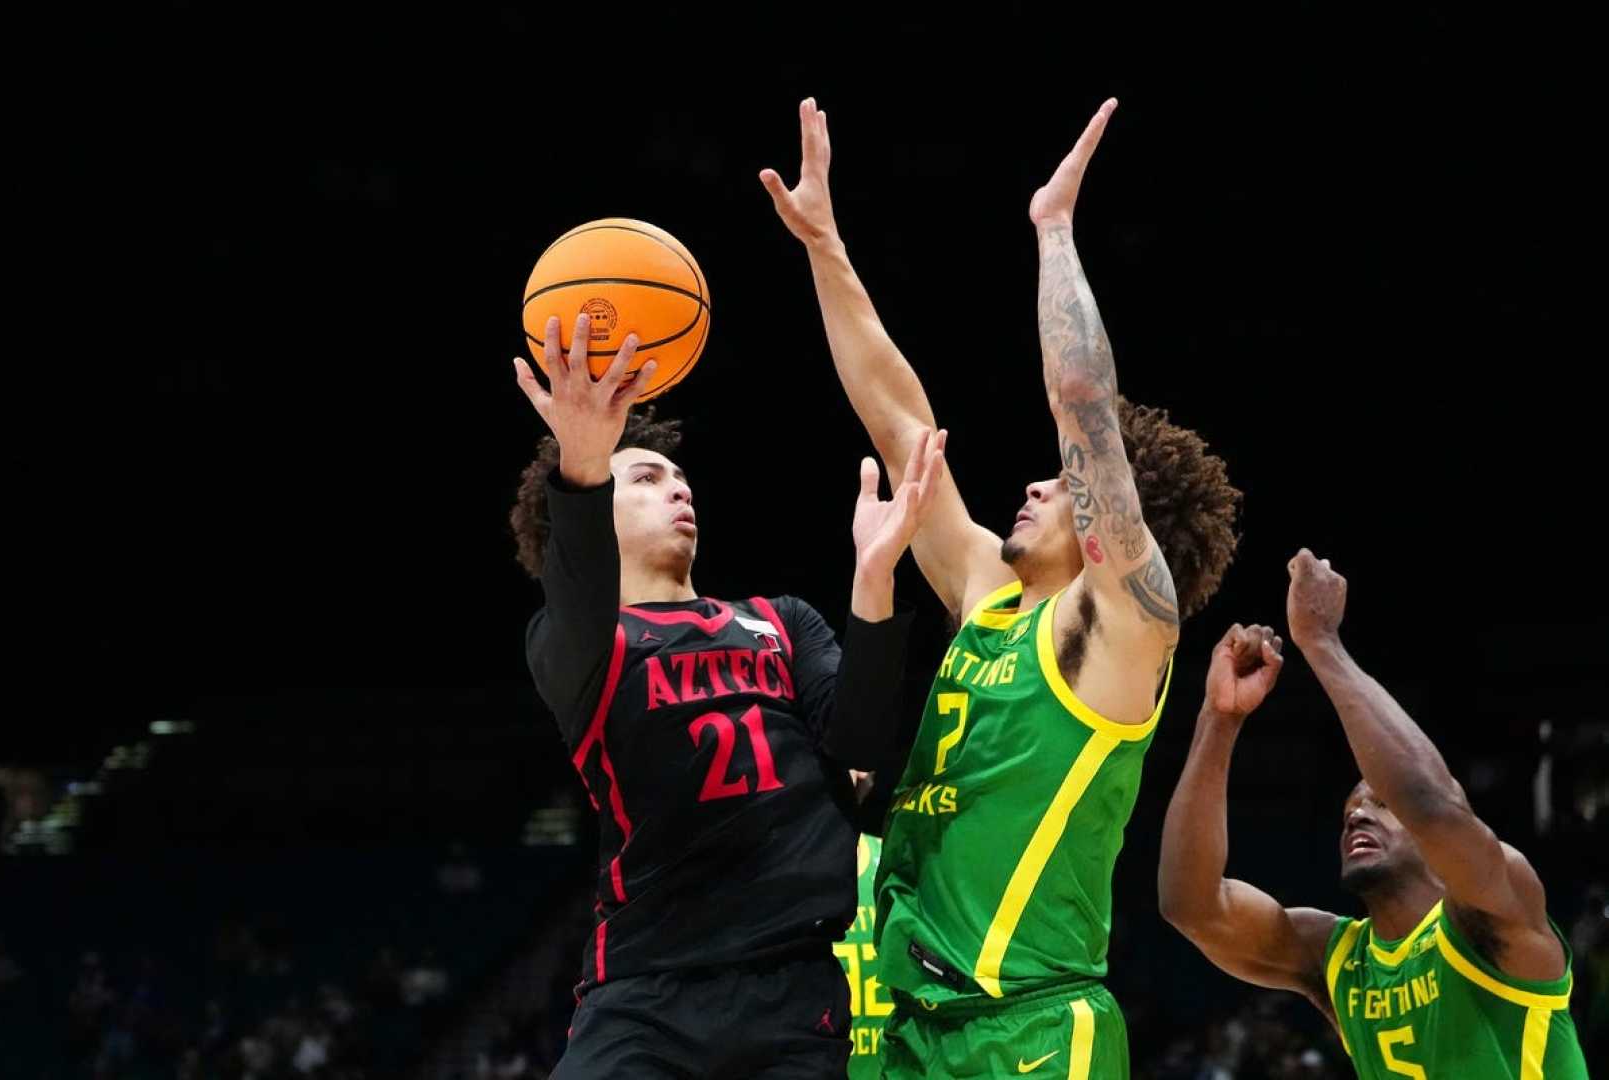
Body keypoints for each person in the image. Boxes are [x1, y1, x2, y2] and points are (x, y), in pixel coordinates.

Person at [762, 97, 1241, 1076]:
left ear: (1116, 524)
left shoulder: (1118, 636)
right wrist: (824, 245)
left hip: (1025, 1030)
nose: (1035, 482)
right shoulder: (989, 594)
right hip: (905, 1024)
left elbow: (1086, 412)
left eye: (1060, 485)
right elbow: (903, 428)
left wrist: (1054, 233)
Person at [509, 314, 945, 1078]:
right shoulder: (581, 646)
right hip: (646, 993)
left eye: (680, 479)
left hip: (795, 986)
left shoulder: (780, 621)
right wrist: (582, 455)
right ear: (590, 515)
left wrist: (873, 583)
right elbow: (575, 585)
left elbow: (863, 746)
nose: (678, 489)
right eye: (646, 479)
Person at [1158, 549, 1589, 1078]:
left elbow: (1431, 806)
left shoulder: (1496, 911)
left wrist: (1322, 645)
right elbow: (1191, 904)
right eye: (1349, 811)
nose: (1358, 815)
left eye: (1380, 803)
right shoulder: (1336, 958)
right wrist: (1219, 719)